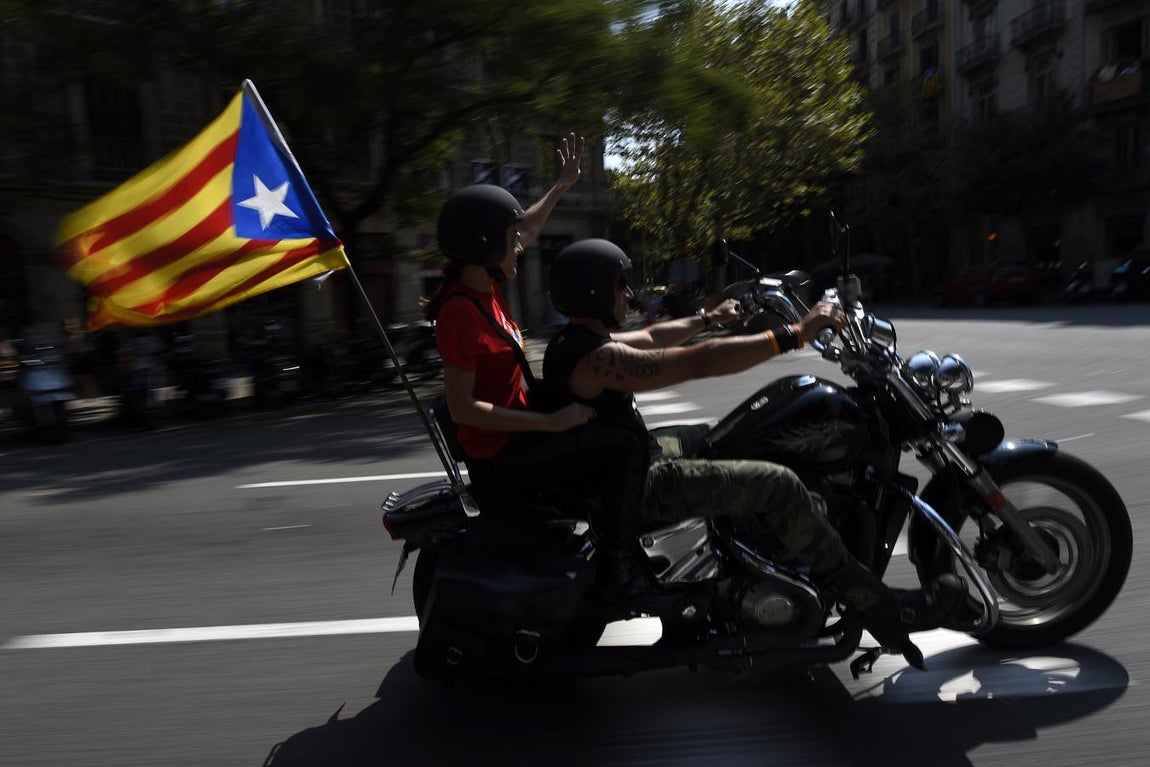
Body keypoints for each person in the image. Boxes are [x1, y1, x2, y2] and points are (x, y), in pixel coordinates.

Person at [541, 238, 966, 667]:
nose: (629, 294)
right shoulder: (596, 359)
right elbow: (695, 363)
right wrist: (794, 335)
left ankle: (760, 556)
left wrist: (709, 317)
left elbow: (651, 335)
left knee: (737, 435)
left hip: (627, 462)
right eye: (621, 285)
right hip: (632, 485)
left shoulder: (576, 340)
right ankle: (880, 606)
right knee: (778, 485)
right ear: (594, 291)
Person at [424, 136, 649, 514]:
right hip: (502, 456)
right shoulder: (460, 313)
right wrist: (550, 423)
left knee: (613, 414)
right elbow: (462, 408)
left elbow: (527, 228)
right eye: (510, 241)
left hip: (523, 427)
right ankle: (620, 564)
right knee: (624, 440)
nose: (520, 247)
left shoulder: (485, 286)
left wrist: (562, 184)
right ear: (485, 248)